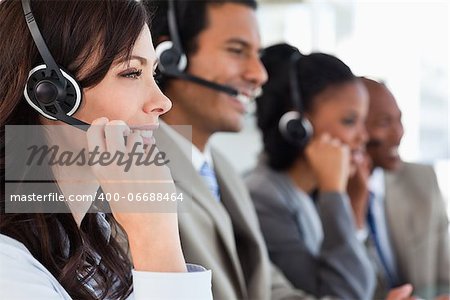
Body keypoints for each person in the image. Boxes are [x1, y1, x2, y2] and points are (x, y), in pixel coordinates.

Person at [0, 0, 212, 299]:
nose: (162, 102)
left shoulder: (94, 241)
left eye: (154, 74)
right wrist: (154, 237)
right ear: (51, 93)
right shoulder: (8, 271)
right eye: (131, 73)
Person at [145, 0, 321, 299]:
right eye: (237, 51)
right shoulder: (131, 171)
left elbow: (267, 287)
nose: (259, 74)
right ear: (171, 56)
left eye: (258, 55)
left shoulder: (223, 171)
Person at [244, 43, 375, 299]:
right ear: (298, 126)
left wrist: (354, 212)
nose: (363, 137)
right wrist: (334, 194)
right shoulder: (264, 199)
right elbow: (345, 293)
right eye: (349, 121)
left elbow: (370, 284)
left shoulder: (308, 193)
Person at [360, 77, 450, 300]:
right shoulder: (326, 199)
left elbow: (446, 272)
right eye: (383, 123)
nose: (399, 133)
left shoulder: (421, 180)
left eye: (399, 120)